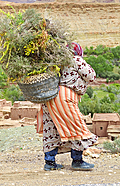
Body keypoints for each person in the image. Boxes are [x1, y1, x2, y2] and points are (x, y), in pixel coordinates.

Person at [37, 42, 98, 171]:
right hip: (65, 97)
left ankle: (50, 162)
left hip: (49, 98)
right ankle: (77, 160)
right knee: (76, 127)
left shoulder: (56, 61)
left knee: (51, 129)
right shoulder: (75, 59)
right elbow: (91, 76)